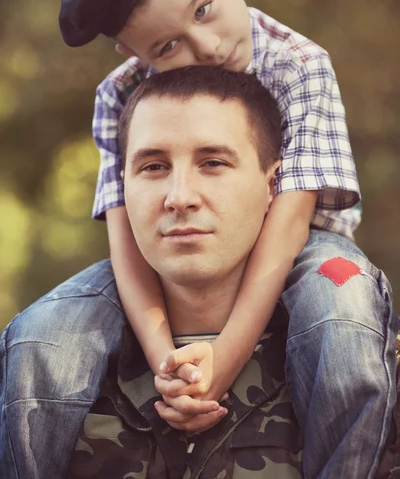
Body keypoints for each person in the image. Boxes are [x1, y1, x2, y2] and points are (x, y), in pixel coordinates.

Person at [58, 0, 398, 477]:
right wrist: (168, 360)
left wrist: (224, 357)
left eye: (205, 9)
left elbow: (290, 221)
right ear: (132, 53)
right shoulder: (120, 96)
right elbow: (124, 237)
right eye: (167, 47)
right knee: (41, 336)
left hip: (300, 248)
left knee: (341, 311)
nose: (208, 46)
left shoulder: (299, 64)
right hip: (176, 254)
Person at [0, 68, 398, 479]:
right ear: (123, 187)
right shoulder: (38, 368)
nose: (180, 198)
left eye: (212, 162)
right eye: (153, 167)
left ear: (272, 185)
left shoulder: (361, 364)